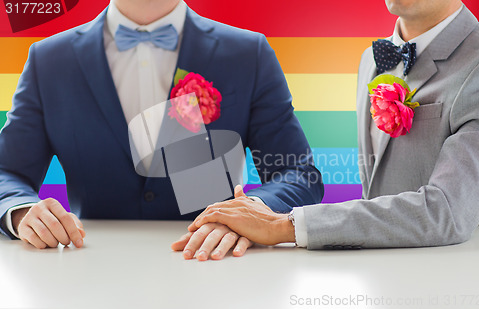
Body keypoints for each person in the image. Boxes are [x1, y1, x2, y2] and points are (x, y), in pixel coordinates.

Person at [0, 0, 324, 255]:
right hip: (89, 264)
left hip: (216, 265)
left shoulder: (248, 53)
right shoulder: (50, 59)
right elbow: (7, 171)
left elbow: (298, 173)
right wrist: (20, 211)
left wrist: (249, 214)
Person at [187, 0, 479, 250]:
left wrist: (284, 226)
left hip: (454, 275)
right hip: (381, 276)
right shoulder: (373, 60)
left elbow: (448, 213)